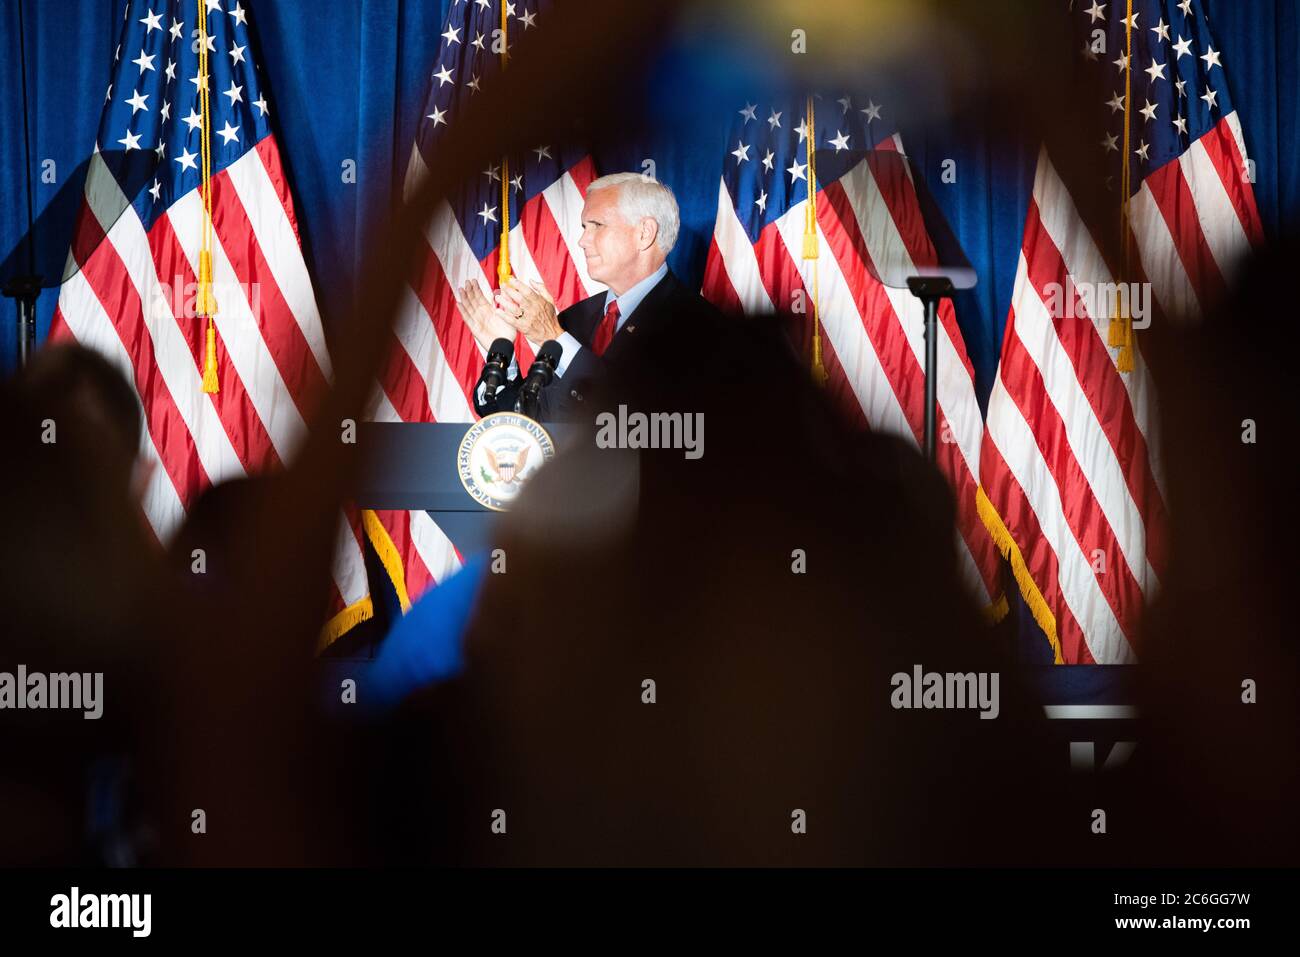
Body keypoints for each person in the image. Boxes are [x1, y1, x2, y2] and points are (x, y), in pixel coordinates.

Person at [456, 172, 718, 420]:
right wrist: (501, 353)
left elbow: (642, 423)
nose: (582, 240)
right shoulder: (573, 320)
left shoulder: (700, 327)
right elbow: (528, 427)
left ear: (644, 233)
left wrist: (553, 336)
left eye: (597, 225)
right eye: (584, 226)